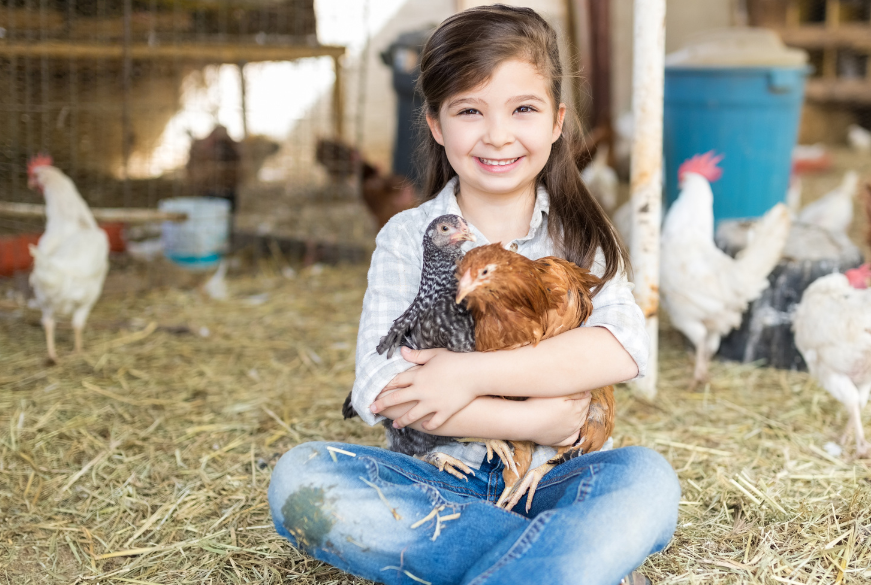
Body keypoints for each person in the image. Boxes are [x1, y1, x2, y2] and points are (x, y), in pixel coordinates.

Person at [268, 5, 679, 584]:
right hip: (439, 478)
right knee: (301, 478)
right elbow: (380, 390)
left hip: (552, 479)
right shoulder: (408, 238)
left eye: (524, 109)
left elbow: (622, 347)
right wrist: (539, 417)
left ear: (557, 121)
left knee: (647, 480)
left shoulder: (580, 233)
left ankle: (555, 556)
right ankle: (574, 561)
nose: (498, 135)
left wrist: (466, 376)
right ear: (435, 123)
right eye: (469, 111)